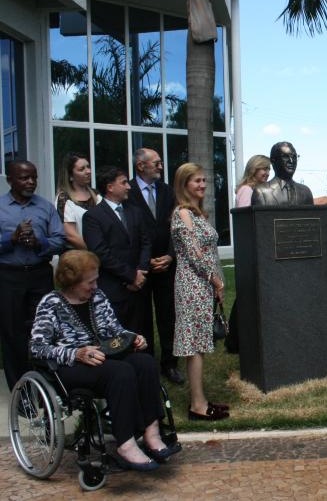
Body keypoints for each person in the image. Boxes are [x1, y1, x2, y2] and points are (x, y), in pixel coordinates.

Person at [29, 250, 179, 470]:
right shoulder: (50, 303)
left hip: (104, 358)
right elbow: (37, 348)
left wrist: (133, 338)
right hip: (70, 367)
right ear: (72, 282)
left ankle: (152, 432)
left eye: (96, 279)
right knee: (121, 372)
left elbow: (115, 330)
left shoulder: (97, 297)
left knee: (145, 363)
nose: (96, 285)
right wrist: (76, 353)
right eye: (90, 282)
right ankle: (126, 443)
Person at [171, 162, 229, 420]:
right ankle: (197, 405)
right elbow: (195, 254)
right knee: (194, 345)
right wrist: (215, 280)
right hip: (192, 284)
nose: (203, 185)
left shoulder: (197, 214)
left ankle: (200, 399)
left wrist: (216, 283)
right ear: (184, 185)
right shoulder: (182, 213)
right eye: (197, 181)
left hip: (203, 284)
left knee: (200, 344)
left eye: (204, 180)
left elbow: (207, 253)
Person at [0, 161, 65, 389]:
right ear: (10, 180)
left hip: (40, 275)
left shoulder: (45, 207)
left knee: (44, 328)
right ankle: (21, 390)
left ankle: (46, 384)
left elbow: (60, 240)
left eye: (34, 177)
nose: (31, 182)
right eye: (24, 178)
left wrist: (39, 243)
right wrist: (12, 239)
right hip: (9, 277)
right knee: (13, 332)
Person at [125, 148, 183, 385]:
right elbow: (126, 229)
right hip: (140, 266)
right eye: (156, 163)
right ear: (141, 166)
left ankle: (169, 363)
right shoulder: (126, 191)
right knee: (142, 317)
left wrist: (170, 256)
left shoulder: (167, 191)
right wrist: (143, 261)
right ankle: (146, 363)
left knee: (168, 315)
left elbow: (176, 227)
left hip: (166, 266)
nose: (161, 166)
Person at [83, 166, 151, 335]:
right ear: (110, 187)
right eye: (124, 182)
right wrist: (130, 276)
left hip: (140, 288)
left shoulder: (135, 212)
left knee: (142, 334)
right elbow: (100, 253)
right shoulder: (93, 217)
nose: (128, 186)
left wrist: (141, 272)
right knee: (117, 338)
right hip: (114, 289)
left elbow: (146, 242)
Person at [227, 154, 271, 353]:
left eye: (268, 169)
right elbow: (247, 221)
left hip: (259, 249)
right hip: (252, 250)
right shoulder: (247, 190)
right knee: (247, 297)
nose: (267, 173)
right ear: (254, 169)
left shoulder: (257, 189)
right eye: (264, 169)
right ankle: (236, 340)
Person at [54, 152, 100, 250]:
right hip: (78, 256)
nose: (88, 171)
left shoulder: (96, 195)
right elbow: (71, 235)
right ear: (70, 175)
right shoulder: (64, 198)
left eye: (88, 167)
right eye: (82, 169)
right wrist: (95, 251)